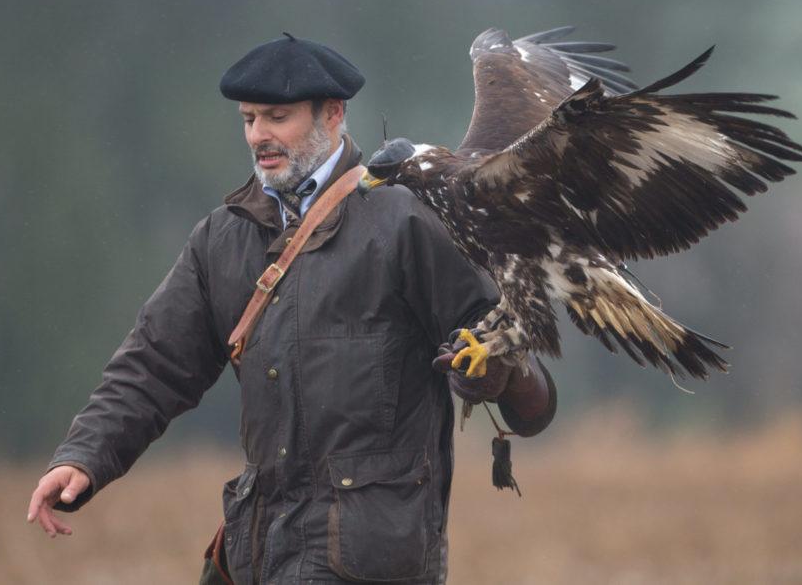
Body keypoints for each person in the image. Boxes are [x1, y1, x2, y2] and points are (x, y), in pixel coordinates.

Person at [27, 33, 556, 584]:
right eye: (249, 119)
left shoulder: (405, 222)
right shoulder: (223, 239)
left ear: (333, 114)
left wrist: (495, 373)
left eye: (276, 117)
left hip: (370, 565)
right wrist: (83, 456)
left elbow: (520, 376)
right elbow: (153, 365)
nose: (259, 136)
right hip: (257, 558)